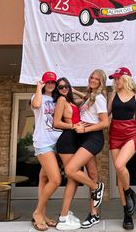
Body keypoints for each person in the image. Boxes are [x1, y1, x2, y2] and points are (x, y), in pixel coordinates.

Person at [64, 69, 109, 228]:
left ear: (101, 82)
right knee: (93, 173)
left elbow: (105, 123)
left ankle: (97, 188)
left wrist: (85, 130)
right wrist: (73, 90)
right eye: (91, 77)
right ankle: (94, 214)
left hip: (92, 138)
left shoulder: (100, 99)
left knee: (70, 170)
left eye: (96, 79)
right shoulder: (90, 97)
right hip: (83, 138)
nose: (93, 80)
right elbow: (86, 98)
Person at [108, 67, 136, 230]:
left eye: (118, 78)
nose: (116, 81)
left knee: (120, 165)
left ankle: (128, 193)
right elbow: (104, 113)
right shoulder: (112, 95)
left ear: (126, 79)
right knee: (120, 173)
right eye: (114, 79)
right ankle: (127, 215)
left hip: (131, 133)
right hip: (114, 134)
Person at [31, 71, 61, 231]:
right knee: (55, 180)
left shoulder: (57, 99)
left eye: (53, 82)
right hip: (43, 143)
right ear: (43, 82)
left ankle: (43, 214)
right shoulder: (37, 97)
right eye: (47, 82)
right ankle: (37, 213)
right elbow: (36, 105)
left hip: (56, 143)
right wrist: (38, 87)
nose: (50, 84)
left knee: (44, 178)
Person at [53, 77, 81, 230]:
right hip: (67, 140)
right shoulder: (61, 101)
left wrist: (74, 90)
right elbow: (56, 122)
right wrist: (73, 125)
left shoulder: (70, 101)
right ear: (57, 90)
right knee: (73, 176)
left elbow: (87, 98)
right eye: (60, 87)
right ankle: (63, 217)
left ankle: (65, 213)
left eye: (66, 86)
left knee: (74, 178)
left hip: (74, 139)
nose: (63, 89)